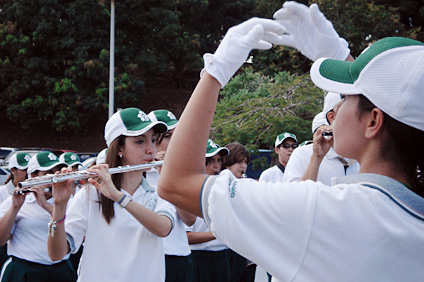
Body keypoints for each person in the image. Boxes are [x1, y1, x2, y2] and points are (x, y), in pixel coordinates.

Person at [157, 3, 424, 281]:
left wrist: (215, 72)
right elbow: (404, 107)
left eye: (345, 97)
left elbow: (176, 181)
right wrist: (344, 58)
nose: (335, 111)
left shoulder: (323, 212)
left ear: (373, 122)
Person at [47, 107, 175, 282]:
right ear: (119, 148)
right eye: (139, 142)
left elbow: (163, 228)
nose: (151, 149)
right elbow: (56, 254)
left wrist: (119, 197)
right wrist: (59, 206)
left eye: (152, 140)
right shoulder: (91, 193)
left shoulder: (158, 190)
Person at [0, 151, 74, 282]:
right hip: (24, 271)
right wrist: (15, 207)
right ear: (33, 176)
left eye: (57, 172)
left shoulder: (68, 199)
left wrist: (45, 205)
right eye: (48, 173)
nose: (54, 178)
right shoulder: (17, 201)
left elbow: (73, 228)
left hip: (60, 271)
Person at [146, 109, 196, 282]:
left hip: (177, 254)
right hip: (148, 255)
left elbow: (190, 220)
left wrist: (168, 176)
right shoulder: (138, 172)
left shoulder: (181, 171)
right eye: (167, 136)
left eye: (176, 135)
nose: (173, 141)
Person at [283, 92, 360, 185]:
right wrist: (316, 158)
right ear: (332, 117)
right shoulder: (303, 155)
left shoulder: (365, 155)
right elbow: (294, 197)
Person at [186, 139, 230, 282]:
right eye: (211, 160)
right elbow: (187, 237)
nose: (216, 165)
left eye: (219, 160)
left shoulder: (223, 188)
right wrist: (217, 233)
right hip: (199, 257)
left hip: (222, 255)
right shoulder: (189, 189)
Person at [0, 152, 31, 273]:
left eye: (30, 169)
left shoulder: (36, 194)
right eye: (24, 169)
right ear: (13, 170)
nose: (28, 174)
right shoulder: (2, 192)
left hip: (23, 249)